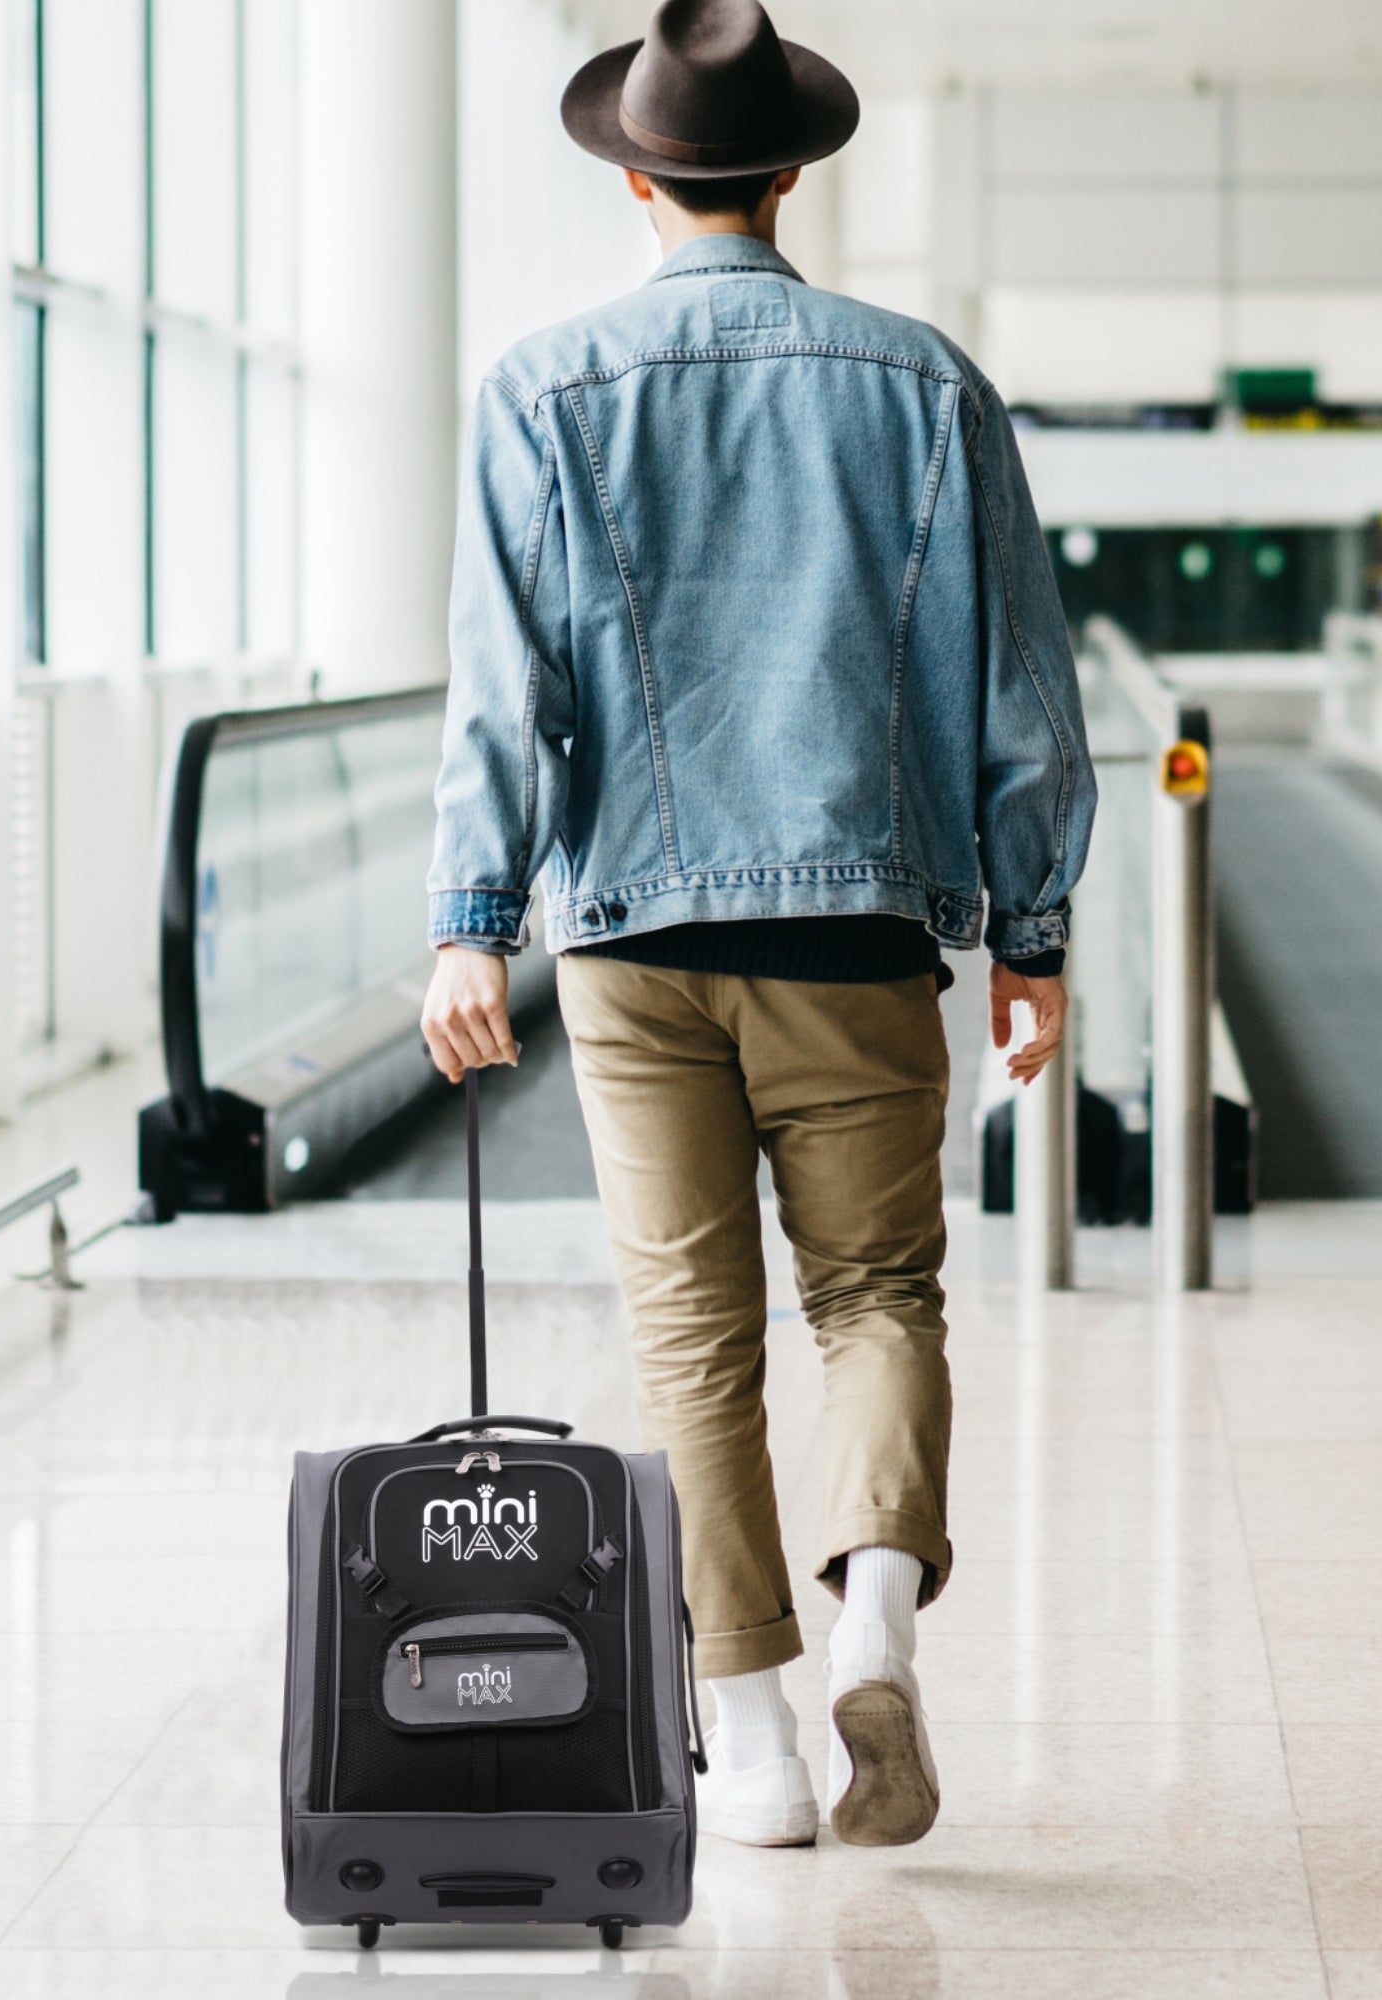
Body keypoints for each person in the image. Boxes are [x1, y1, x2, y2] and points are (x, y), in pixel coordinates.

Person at [420, 0, 1093, 1848]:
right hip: (864, 931)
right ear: (789, 171)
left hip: (631, 939)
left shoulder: (544, 390)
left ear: (637, 176)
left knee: (690, 1334)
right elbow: (1025, 690)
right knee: (877, 1292)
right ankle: (880, 1599)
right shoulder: (927, 383)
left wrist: (476, 919)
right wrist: (1031, 930)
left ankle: (761, 1744)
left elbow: (502, 691)